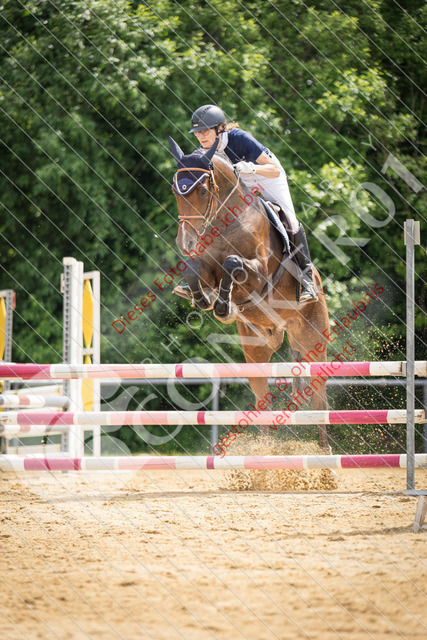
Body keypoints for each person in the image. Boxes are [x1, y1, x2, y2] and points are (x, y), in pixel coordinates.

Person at [187, 104, 318, 303]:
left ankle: (307, 278)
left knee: (289, 220)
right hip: (241, 183)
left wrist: (250, 168)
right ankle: (202, 273)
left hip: (267, 177)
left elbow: (273, 169)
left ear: (220, 129)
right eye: (197, 133)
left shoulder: (239, 138)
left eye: (205, 131)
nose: (201, 136)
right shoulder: (203, 152)